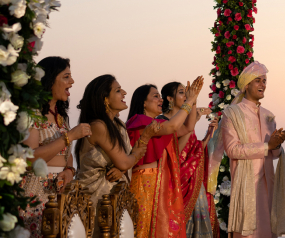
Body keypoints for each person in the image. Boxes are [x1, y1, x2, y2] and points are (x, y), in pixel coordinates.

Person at [210, 61, 285, 238]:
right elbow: (232, 150)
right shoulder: (232, 113)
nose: (263, 85)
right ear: (246, 85)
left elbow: (273, 154)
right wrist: (268, 146)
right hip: (247, 186)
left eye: (265, 81)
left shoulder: (269, 115)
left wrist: (277, 146)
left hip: (268, 185)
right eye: (258, 80)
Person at [20, 57, 92, 238]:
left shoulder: (61, 117)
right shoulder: (32, 113)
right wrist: (69, 136)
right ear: (50, 80)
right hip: (36, 191)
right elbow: (29, 160)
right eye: (66, 76)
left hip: (60, 193)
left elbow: (68, 159)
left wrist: (68, 172)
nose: (72, 81)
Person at [126, 77, 204, 238]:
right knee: (144, 230)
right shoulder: (140, 122)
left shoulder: (156, 123)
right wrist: (188, 101)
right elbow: (174, 126)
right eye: (155, 96)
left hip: (161, 183)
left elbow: (188, 127)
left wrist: (193, 100)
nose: (160, 99)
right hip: (145, 183)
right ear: (143, 103)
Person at [75, 75, 154, 221]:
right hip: (96, 201)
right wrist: (136, 154)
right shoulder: (98, 126)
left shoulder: (118, 125)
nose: (124, 92)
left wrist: (123, 168)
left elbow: (123, 162)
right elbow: (124, 161)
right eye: (118, 90)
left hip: (114, 198)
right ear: (105, 98)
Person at [160, 82, 219, 238]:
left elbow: (196, 150)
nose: (185, 96)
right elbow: (176, 154)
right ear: (170, 99)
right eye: (181, 92)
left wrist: (208, 135)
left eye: (186, 93)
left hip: (194, 181)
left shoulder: (185, 123)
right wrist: (192, 105)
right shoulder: (164, 122)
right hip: (176, 182)